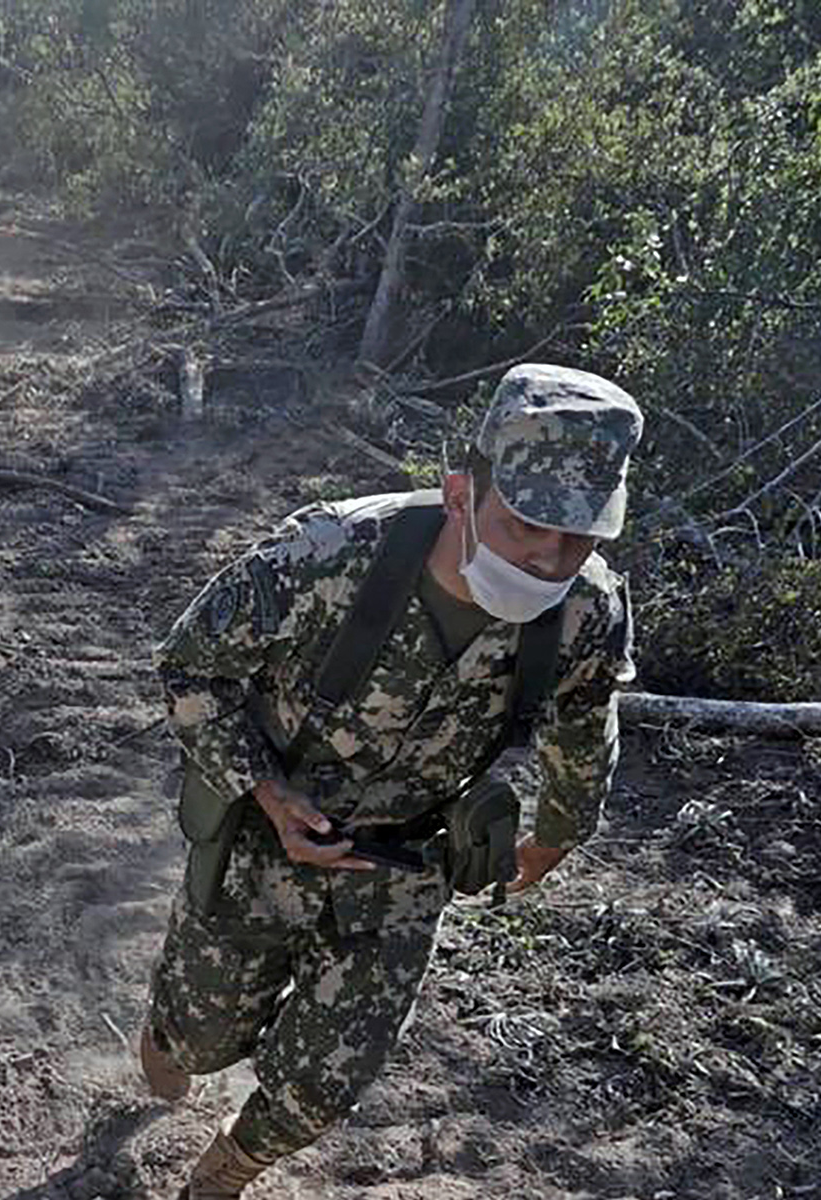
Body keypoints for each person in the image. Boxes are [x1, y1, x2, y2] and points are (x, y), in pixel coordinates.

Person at [137, 364, 642, 1198]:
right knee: (200, 1040)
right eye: (526, 525)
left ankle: (229, 1168)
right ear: (460, 493)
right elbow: (190, 667)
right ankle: (167, 1039)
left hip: (404, 866)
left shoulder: (587, 612)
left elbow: (586, 725)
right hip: (266, 839)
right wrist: (266, 792)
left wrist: (556, 835)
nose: (550, 558)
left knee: (323, 1084)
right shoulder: (327, 556)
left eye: (578, 537)